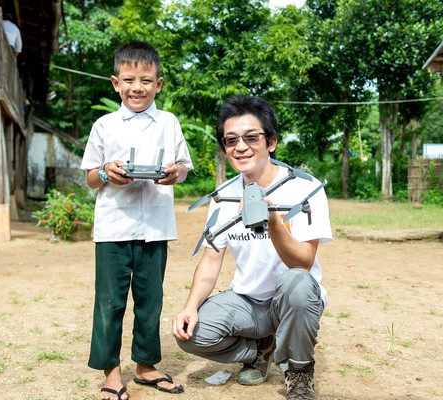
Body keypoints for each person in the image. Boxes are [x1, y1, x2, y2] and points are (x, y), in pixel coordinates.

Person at [172, 96, 332, 400]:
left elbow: (303, 263)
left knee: (297, 281)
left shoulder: (305, 189)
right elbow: (210, 261)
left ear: (270, 141)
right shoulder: (223, 197)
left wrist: (272, 221)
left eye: (251, 137)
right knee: (191, 335)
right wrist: (190, 307)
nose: (240, 147)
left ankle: (298, 374)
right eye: (230, 140)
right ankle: (260, 349)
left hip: (291, 300)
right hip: (248, 302)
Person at [80, 41, 192, 400]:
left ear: (158, 84)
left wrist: (175, 173)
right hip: (113, 227)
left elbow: (184, 168)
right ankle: (111, 371)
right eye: (129, 80)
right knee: (110, 301)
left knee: (151, 299)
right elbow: (89, 177)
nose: (137, 87)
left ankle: (145, 366)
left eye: (146, 80)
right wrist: (106, 172)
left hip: (156, 227)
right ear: (116, 83)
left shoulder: (168, 122)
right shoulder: (104, 125)